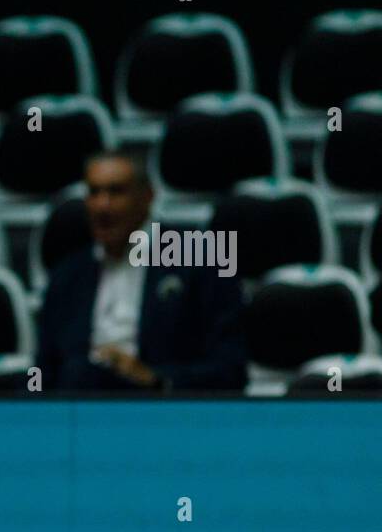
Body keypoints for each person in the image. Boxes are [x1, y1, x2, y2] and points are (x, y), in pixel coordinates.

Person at [35, 150, 247, 391]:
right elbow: (44, 370)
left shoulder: (199, 258)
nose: (102, 206)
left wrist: (154, 379)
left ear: (147, 196)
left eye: (115, 192)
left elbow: (231, 370)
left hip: (163, 412)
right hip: (79, 411)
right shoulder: (67, 276)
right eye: (94, 192)